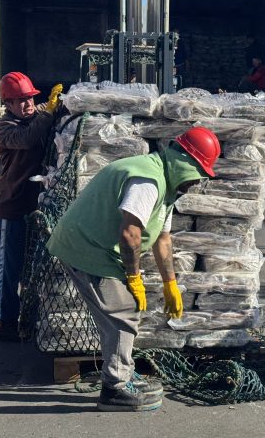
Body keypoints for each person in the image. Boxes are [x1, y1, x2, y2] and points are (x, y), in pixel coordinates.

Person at [47, 126, 221, 412]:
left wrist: (170, 284)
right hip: (88, 249)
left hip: (98, 248)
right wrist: (133, 277)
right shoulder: (147, 180)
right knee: (124, 313)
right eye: (198, 173)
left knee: (120, 314)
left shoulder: (166, 184)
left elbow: (162, 239)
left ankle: (122, 373)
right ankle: (115, 388)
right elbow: (130, 234)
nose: (196, 182)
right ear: (185, 162)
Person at [0, 72, 61, 342]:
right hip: (12, 206)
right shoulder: (5, 128)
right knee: (9, 270)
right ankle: (7, 321)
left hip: (38, 208)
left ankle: (29, 317)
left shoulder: (35, 115)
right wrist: (48, 112)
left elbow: (44, 111)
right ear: (8, 104)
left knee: (34, 268)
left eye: (30, 98)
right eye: (21, 100)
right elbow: (28, 138)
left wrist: (62, 103)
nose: (28, 104)